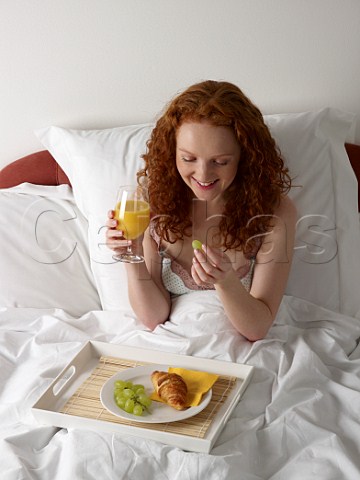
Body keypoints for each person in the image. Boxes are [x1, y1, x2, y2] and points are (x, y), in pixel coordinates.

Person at [106, 80, 297, 341]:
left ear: (245, 157)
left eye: (220, 162)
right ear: (171, 152)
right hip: (172, 346)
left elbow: (257, 328)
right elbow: (153, 318)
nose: (203, 175)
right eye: (188, 159)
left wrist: (226, 281)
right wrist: (133, 253)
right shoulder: (152, 202)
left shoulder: (274, 211)